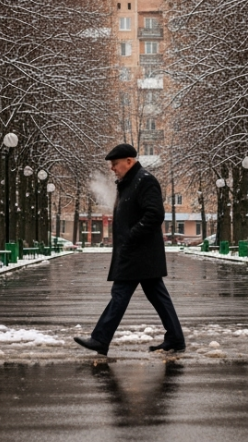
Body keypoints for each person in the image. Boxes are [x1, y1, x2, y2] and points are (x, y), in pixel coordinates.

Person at [74, 143, 186, 356]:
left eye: (115, 164)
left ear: (129, 161)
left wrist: (130, 237)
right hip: (138, 254)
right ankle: (175, 338)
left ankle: (100, 338)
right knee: (158, 296)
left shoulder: (144, 181)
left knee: (120, 294)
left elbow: (154, 214)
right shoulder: (130, 182)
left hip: (138, 253)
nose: (112, 168)